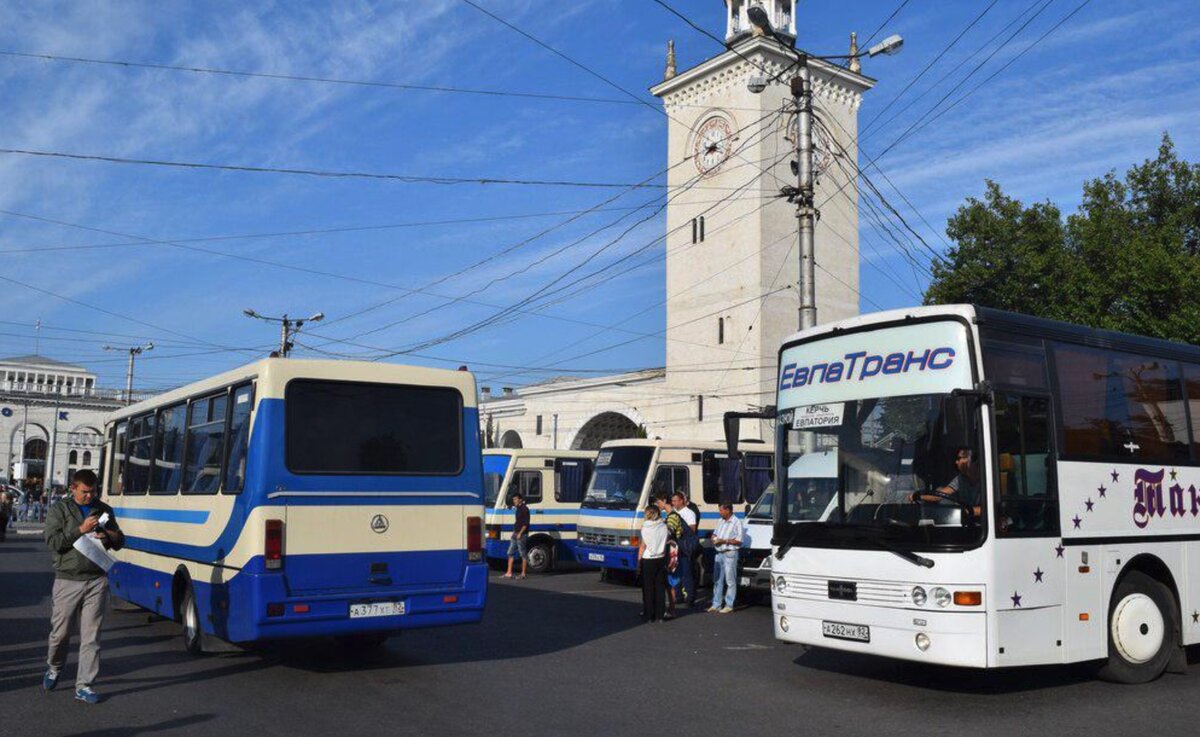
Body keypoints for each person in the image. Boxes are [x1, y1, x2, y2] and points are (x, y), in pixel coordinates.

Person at [43, 469, 124, 704]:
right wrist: (80, 529)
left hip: (97, 579)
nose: (90, 496)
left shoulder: (104, 510)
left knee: (91, 636)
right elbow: (53, 542)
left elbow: (120, 541)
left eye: (93, 491)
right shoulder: (60, 510)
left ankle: (84, 685)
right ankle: (54, 667)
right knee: (61, 633)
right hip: (68, 578)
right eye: (85, 492)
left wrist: (108, 536)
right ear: (73, 489)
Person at [708, 503, 744, 613]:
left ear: (728, 510)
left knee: (730, 580)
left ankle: (729, 604)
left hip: (730, 554)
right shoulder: (720, 521)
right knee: (717, 579)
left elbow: (739, 540)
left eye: (721, 510)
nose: (720, 512)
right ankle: (716, 604)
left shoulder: (737, 522)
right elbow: (715, 534)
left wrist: (724, 541)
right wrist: (713, 538)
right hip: (719, 553)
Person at [637, 505, 669, 623]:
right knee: (660, 587)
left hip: (648, 558)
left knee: (648, 588)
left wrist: (639, 560)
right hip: (661, 558)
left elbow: (643, 546)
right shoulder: (664, 526)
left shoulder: (645, 527)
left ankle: (649, 614)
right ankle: (660, 614)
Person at [670, 491, 699, 606]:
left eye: (675, 501)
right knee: (675, 572)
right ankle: (678, 595)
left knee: (686, 573)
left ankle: (690, 598)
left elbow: (692, 530)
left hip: (685, 547)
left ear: (682, 500)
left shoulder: (689, 513)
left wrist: (680, 530)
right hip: (675, 547)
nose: (673, 503)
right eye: (672, 501)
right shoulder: (673, 513)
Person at [503, 492, 530, 580]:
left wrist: (520, 533)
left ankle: (523, 574)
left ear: (520, 499)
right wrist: (515, 532)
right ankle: (509, 572)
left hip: (521, 534)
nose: (514, 501)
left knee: (523, 554)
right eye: (513, 499)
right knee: (510, 552)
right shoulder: (517, 508)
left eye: (515, 499)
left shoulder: (524, 509)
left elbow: (526, 524)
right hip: (516, 533)